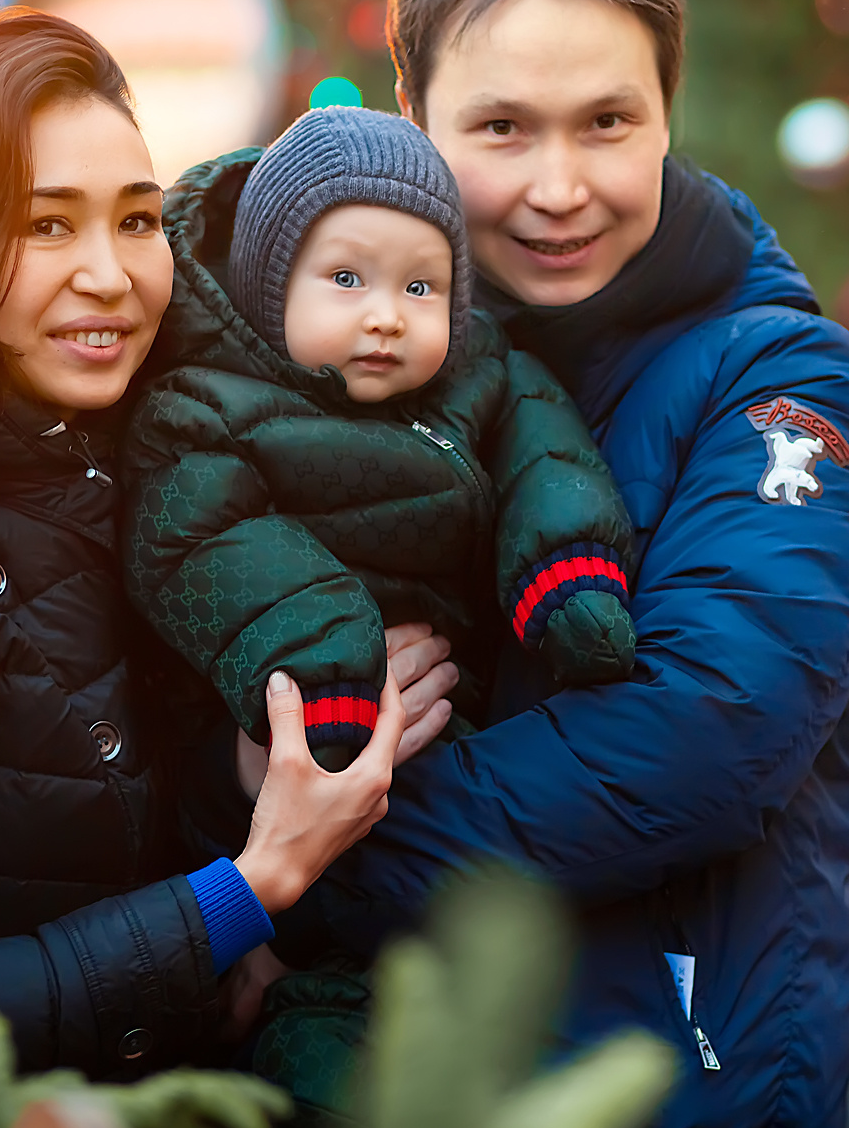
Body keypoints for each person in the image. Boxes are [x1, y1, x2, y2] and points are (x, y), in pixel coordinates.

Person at [232, 0, 849, 1128]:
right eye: (501, 128)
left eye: (607, 121)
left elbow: (708, 730)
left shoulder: (777, 384)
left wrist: (317, 849)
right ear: (412, 116)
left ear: (671, 106)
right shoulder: (352, 378)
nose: (557, 187)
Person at [0, 12, 457, 1076]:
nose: (113, 275)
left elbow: (70, 789)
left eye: (135, 219)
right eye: (45, 226)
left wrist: (247, 767)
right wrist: (249, 890)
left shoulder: (96, 454)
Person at [123, 103, 636, 778]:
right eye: (345, 279)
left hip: (461, 697)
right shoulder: (201, 411)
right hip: (306, 705)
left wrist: (568, 570)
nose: (387, 316)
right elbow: (201, 545)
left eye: (420, 287)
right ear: (267, 286)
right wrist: (326, 669)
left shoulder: (478, 368)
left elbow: (547, 458)